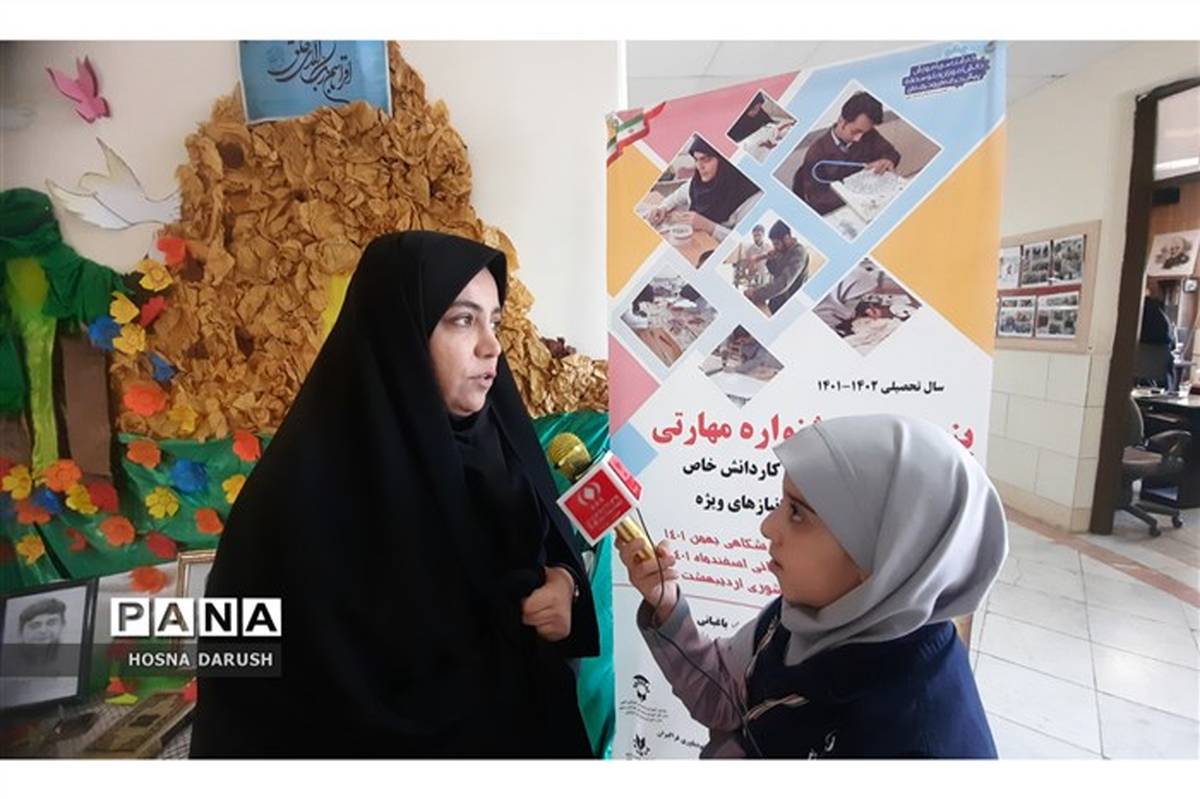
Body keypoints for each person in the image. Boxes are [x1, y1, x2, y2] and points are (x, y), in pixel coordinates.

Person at [189, 231, 599, 758]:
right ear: (398, 332)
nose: (491, 346)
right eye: (462, 320)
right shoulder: (297, 493)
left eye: (494, 322)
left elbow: (548, 552)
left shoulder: (501, 444)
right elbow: (245, 682)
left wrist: (564, 584)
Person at [617, 414, 1006, 758]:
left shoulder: (916, 746)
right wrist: (666, 605)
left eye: (798, 513)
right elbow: (727, 696)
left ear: (886, 556)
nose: (768, 526)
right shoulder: (809, 615)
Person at [791, 91, 901, 216]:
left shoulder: (868, 134)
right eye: (855, 132)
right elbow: (817, 200)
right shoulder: (817, 152)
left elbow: (892, 153)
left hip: (868, 202)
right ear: (842, 121)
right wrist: (852, 193)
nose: (858, 138)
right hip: (841, 211)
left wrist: (887, 160)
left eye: (864, 133)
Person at [646, 137, 762, 244]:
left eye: (705, 159)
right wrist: (662, 208)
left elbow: (743, 242)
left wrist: (709, 226)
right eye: (696, 159)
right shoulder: (697, 182)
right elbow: (675, 198)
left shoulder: (750, 195)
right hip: (695, 242)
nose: (699, 166)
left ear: (724, 160)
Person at [745, 221, 810, 315]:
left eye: (776, 243)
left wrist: (756, 293)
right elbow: (775, 270)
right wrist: (768, 260)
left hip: (787, 302)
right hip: (777, 297)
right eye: (773, 244)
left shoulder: (799, 252)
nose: (775, 247)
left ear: (787, 238)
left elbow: (783, 282)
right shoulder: (783, 249)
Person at [725, 225, 771, 289]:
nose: (757, 238)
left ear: (763, 235)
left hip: (766, 277)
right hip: (754, 279)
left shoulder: (769, 247)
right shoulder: (750, 250)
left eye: (759, 235)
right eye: (755, 236)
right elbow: (748, 265)